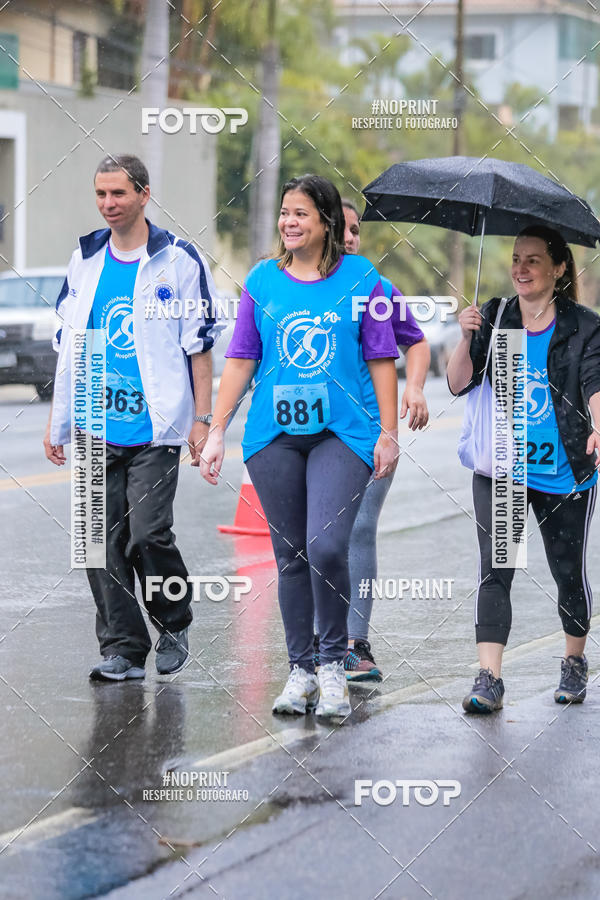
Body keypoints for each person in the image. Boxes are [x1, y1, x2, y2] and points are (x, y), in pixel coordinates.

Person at [200, 174, 399, 717]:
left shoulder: (363, 278)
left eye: (301, 214)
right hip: (273, 437)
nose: (289, 222)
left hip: (343, 433)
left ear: (327, 222)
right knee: (289, 556)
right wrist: (217, 429)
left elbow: (382, 357)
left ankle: (333, 665)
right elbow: (241, 358)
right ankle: (300, 671)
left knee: (327, 547)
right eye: (285, 213)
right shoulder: (263, 281)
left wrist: (388, 431)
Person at [43, 154, 223, 681]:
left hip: (156, 425)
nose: (107, 204)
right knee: (95, 540)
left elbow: (199, 347)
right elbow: (69, 346)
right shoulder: (86, 260)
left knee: (146, 534)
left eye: (118, 194)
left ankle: (174, 619)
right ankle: (122, 647)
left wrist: (201, 421)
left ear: (144, 194)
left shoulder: (179, 261)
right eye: (100, 194)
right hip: (95, 420)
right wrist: (59, 425)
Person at [447, 225, 600, 713]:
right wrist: (464, 335)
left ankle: (574, 661)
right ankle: (489, 677)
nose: (521, 268)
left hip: (564, 470)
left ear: (558, 269)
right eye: (516, 259)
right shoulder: (496, 318)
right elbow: (456, 384)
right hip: (505, 470)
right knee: (498, 569)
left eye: (533, 260)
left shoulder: (583, 326)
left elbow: (595, 382)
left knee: (567, 573)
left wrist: (599, 424)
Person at [314, 200, 430, 683]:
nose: (351, 238)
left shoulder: (376, 289)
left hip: (368, 434)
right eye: (341, 229)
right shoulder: (286, 285)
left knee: (358, 530)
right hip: (307, 435)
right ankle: (319, 643)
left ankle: (355, 644)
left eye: (356, 230)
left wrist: (416, 386)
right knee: (316, 541)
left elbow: (417, 342)